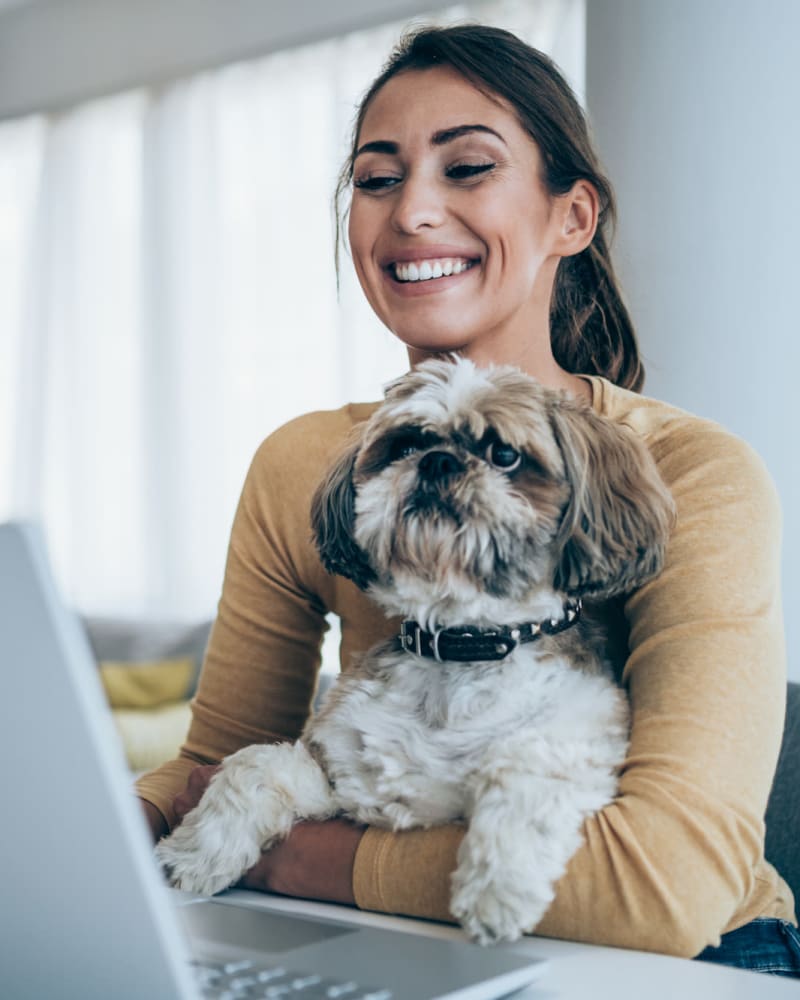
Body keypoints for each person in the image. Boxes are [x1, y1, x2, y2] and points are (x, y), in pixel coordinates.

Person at [137, 25, 799, 976]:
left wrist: (295, 858)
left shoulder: (693, 472)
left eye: (468, 167)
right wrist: (106, 826)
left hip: (705, 957)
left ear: (572, 218)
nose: (412, 212)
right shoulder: (308, 463)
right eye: (376, 178)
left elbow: (661, 891)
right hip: (390, 935)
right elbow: (219, 764)